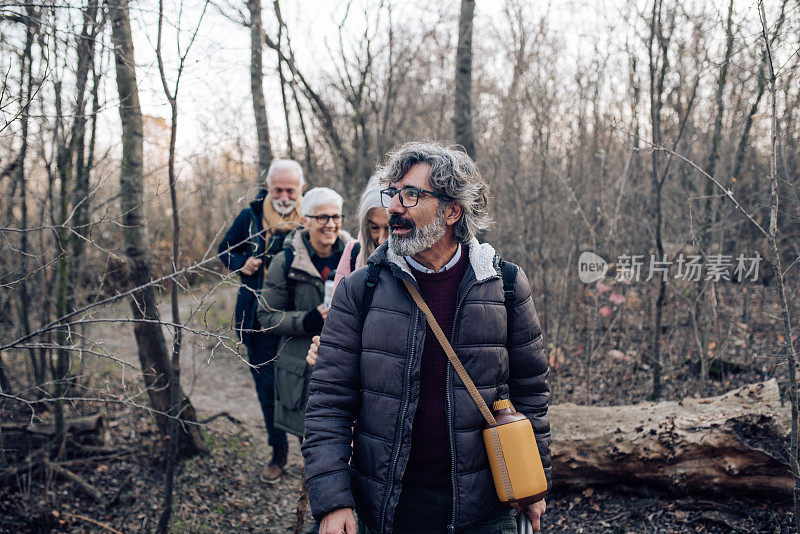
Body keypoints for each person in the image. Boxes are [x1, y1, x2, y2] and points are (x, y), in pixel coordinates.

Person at [302, 141, 551, 534]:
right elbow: (329, 403)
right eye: (393, 194)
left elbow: (531, 392)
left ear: (453, 211)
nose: (395, 207)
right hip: (389, 506)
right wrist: (334, 501)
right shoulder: (359, 290)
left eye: (411, 195)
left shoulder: (503, 285)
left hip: (486, 506)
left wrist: (535, 484)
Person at [218, 159, 304, 483]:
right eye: (278, 189)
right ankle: (278, 455)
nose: (284, 195)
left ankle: (313, 454)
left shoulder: (310, 219)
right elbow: (224, 250)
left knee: (303, 390)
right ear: (269, 187)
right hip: (258, 321)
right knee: (268, 392)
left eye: (290, 190)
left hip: (297, 323)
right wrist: (243, 263)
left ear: (301, 191)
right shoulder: (250, 216)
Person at [257, 187, 352, 446]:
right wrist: (307, 320)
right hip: (302, 371)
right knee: (311, 447)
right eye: (322, 217)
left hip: (346, 368)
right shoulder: (285, 261)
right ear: (305, 220)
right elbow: (265, 316)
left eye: (336, 217)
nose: (331, 224)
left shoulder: (356, 256)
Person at [306, 176, 389, 368]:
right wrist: (325, 352)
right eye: (374, 228)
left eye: (390, 228)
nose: (382, 239)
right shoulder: (353, 253)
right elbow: (338, 324)